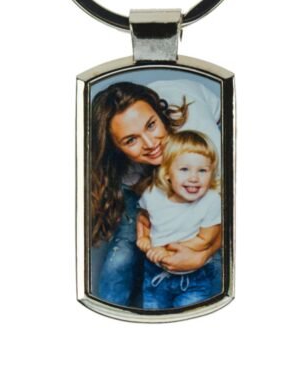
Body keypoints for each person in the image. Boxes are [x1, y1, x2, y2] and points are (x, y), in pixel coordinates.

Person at [92, 81, 221, 307]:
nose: (151, 144)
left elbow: (225, 209)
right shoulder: (126, 167)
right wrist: (147, 236)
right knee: (124, 250)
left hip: (196, 126)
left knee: (203, 236)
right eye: (131, 140)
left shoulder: (202, 143)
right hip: (142, 173)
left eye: (151, 125)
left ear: (160, 115)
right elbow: (145, 213)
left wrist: (202, 255)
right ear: (117, 149)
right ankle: (104, 312)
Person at [136, 131, 221, 309]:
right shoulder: (153, 195)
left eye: (202, 170)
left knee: (190, 317)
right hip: (155, 274)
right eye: (184, 169)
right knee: (154, 315)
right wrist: (143, 237)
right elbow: (143, 217)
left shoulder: (211, 201)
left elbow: (205, 240)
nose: (194, 178)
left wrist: (165, 250)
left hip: (194, 279)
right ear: (167, 173)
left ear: (211, 172)